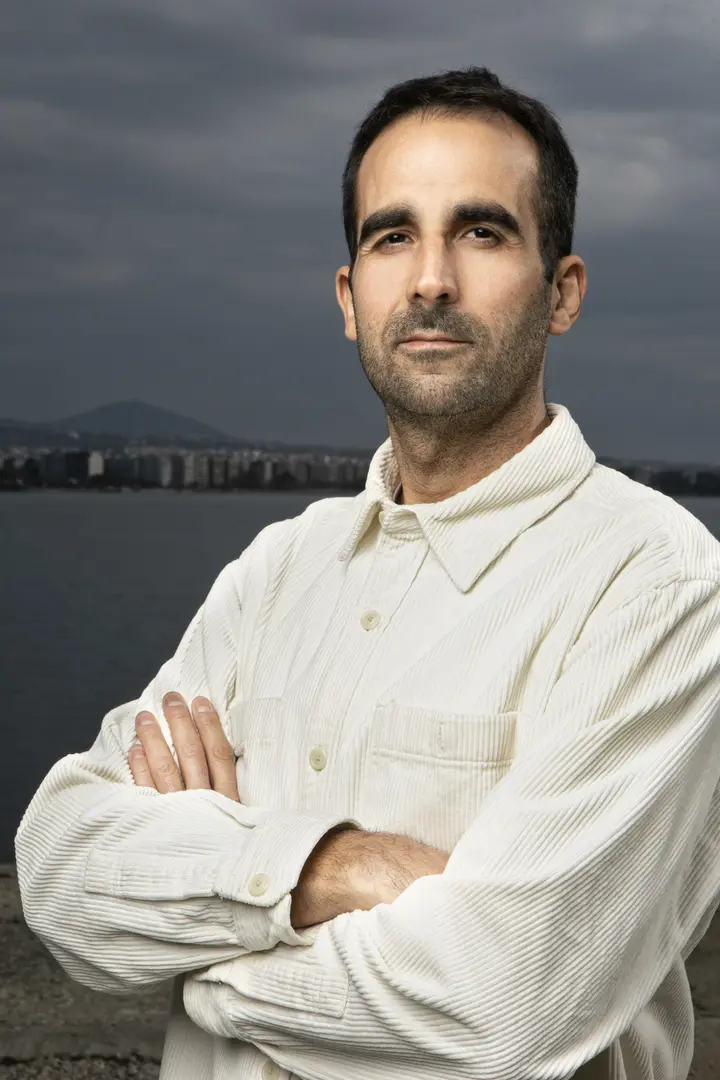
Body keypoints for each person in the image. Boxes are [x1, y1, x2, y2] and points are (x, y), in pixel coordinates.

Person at [15, 67, 720, 1080]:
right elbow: (59, 866)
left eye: (481, 232)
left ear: (561, 292)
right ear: (351, 299)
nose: (431, 279)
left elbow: (503, 1003)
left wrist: (202, 955)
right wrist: (334, 867)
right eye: (393, 236)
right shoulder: (279, 569)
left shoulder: (658, 587)